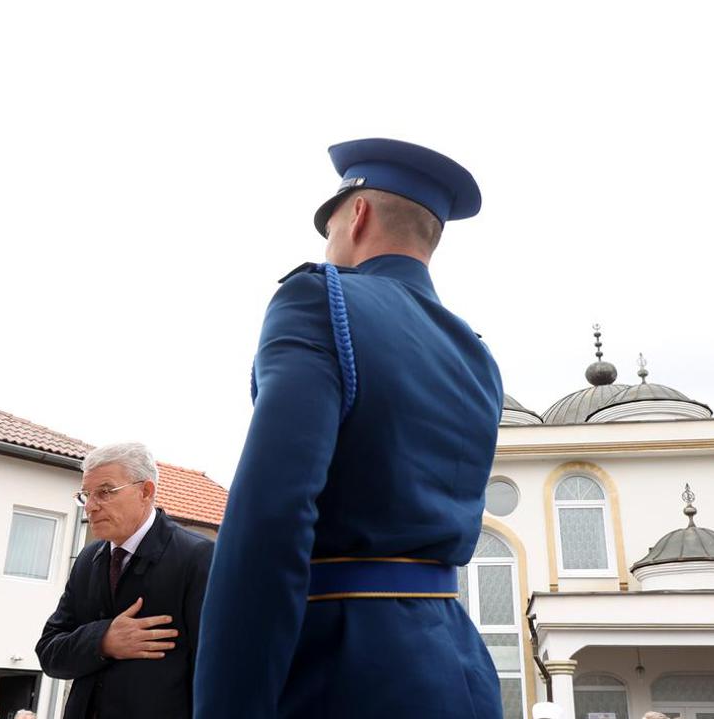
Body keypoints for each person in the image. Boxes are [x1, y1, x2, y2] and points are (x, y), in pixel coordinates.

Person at [193, 138, 505, 717]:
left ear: (356, 214)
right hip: (458, 669)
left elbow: (271, 513)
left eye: (328, 226)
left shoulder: (318, 297)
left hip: (343, 670)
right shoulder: (477, 353)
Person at [37, 442, 214, 719]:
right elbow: (49, 653)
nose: (91, 507)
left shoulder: (197, 558)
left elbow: (215, 669)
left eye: (105, 492)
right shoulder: (86, 560)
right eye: (86, 495)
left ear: (145, 491)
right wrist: (103, 640)